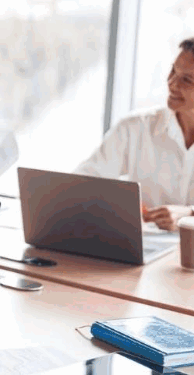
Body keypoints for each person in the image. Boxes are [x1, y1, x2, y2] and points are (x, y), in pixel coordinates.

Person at [75, 39, 194, 231]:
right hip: (144, 252)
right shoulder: (135, 128)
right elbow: (80, 183)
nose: (172, 84)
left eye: (187, 80)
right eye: (173, 71)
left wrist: (189, 215)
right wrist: (117, 205)